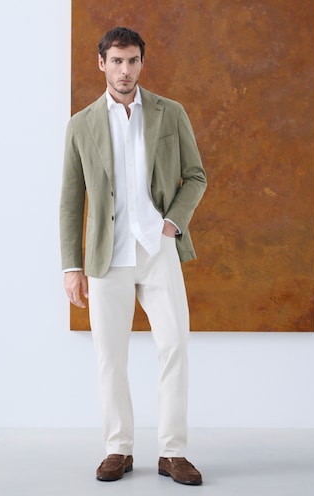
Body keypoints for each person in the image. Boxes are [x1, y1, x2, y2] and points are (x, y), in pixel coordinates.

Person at [60, 26, 207, 485]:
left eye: (132, 61)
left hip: (157, 249)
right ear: (102, 63)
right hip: (107, 256)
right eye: (117, 61)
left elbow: (195, 176)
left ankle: (173, 452)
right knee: (110, 355)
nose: (125, 70)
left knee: (174, 345)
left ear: (142, 63)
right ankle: (118, 449)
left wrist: (172, 223)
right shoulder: (81, 124)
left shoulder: (170, 112)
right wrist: (72, 267)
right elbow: (71, 200)